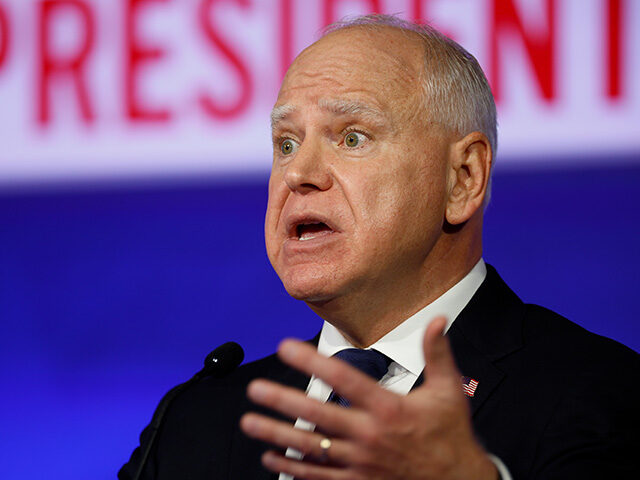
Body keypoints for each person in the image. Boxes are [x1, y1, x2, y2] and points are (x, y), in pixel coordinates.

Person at [119, 15, 640, 480]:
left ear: (463, 178)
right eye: (286, 143)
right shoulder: (198, 419)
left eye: (352, 137)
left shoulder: (599, 393)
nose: (298, 174)